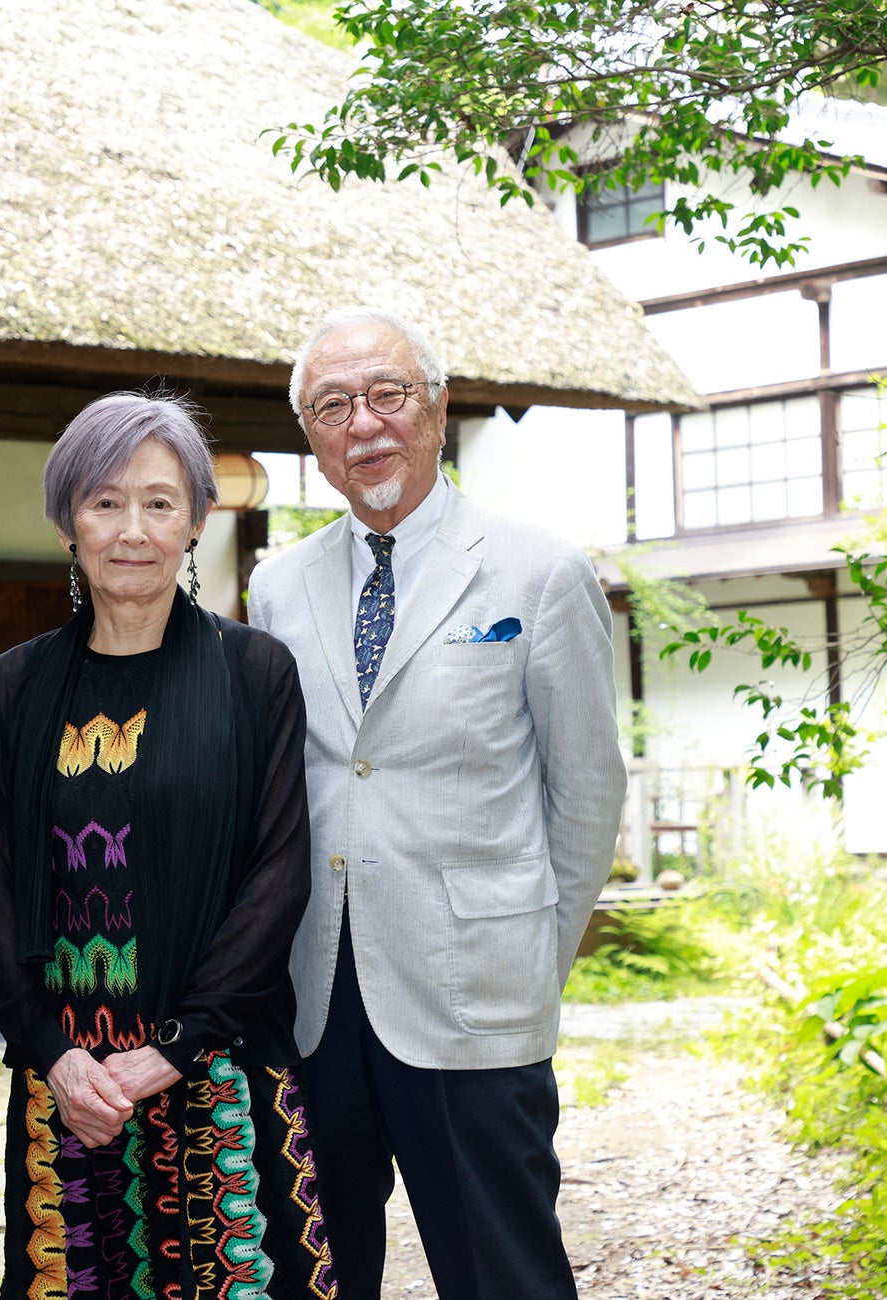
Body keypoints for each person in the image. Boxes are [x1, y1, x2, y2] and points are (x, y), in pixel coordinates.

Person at [247, 307, 627, 1299]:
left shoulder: (537, 572)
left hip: (474, 993)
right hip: (316, 995)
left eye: (389, 393)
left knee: (502, 1271)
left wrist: (535, 950)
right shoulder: (278, 584)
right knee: (315, 1275)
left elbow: (587, 789)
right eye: (333, 405)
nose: (364, 423)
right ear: (312, 438)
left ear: (438, 405)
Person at [0, 392, 340, 1300]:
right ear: (68, 523)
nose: (130, 529)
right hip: (73, 1081)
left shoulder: (254, 673)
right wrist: (55, 1052)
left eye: (158, 502)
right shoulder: (16, 685)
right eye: (103, 503)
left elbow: (278, 870)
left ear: (196, 521)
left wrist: (172, 1048)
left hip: (217, 1060)